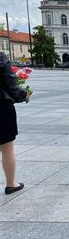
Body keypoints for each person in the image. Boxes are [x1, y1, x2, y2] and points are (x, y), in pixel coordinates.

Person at [0, 52, 27, 194]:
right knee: (7, 148)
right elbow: (11, 83)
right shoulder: (0, 57)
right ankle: (11, 183)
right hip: (2, 106)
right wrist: (23, 94)